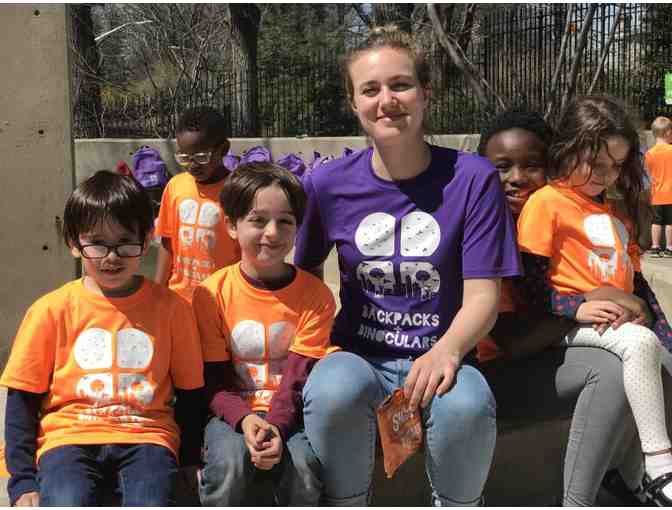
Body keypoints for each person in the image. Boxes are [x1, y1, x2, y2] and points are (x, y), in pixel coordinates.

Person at [293, 25, 521, 506]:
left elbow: (484, 296)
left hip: (443, 358)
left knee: (467, 404)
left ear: (425, 93)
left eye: (400, 84)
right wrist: (317, 343)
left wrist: (449, 351)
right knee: (334, 389)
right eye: (370, 89)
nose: (387, 100)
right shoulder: (327, 184)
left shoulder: (473, 179)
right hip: (359, 356)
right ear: (353, 102)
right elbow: (305, 277)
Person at [476, 108, 652, 505]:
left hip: (550, 358)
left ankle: (630, 481)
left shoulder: (578, 221)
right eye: (501, 166)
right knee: (609, 369)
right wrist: (587, 301)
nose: (517, 178)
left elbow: (638, 292)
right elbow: (510, 340)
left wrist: (635, 307)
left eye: (532, 166)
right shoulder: (481, 231)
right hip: (494, 372)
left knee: (647, 355)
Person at [1, 170, 204, 506]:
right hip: (68, 438)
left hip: (147, 438)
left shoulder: (173, 309)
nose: (112, 257)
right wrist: (22, 482)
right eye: (96, 242)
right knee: (66, 500)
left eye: (125, 241)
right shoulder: (50, 310)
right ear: (73, 242)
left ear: (148, 237)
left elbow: (191, 394)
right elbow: (22, 399)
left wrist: (189, 459)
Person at [516, 96, 672, 505]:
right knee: (640, 344)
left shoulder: (616, 217)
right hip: (570, 330)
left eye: (617, 165)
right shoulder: (546, 203)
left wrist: (667, 339)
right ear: (567, 148)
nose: (607, 175)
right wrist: (577, 307)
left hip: (615, 329)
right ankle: (661, 467)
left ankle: (632, 479)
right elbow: (528, 287)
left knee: (660, 354)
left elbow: (641, 291)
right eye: (597, 163)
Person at [192, 162, 338, 506]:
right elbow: (212, 379)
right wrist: (244, 421)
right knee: (228, 466)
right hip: (229, 415)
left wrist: (275, 426)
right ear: (231, 224)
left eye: (284, 221)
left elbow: (298, 379)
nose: (271, 232)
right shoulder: (210, 293)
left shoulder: (316, 296)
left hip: (293, 413)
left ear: (297, 227)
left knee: (303, 469)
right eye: (258, 220)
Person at [154, 106, 241, 302]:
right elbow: (167, 242)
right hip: (180, 297)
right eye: (185, 157)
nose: (193, 165)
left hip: (224, 298)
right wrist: (158, 289)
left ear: (223, 149)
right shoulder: (175, 186)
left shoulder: (237, 191)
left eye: (202, 157)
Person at [644, 116, 672, 257]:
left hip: (656, 193)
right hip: (671, 193)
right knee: (670, 222)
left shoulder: (649, 153)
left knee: (656, 221)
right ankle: (669, 247)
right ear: (668, 133)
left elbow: (649, 172)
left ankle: (655, 246)